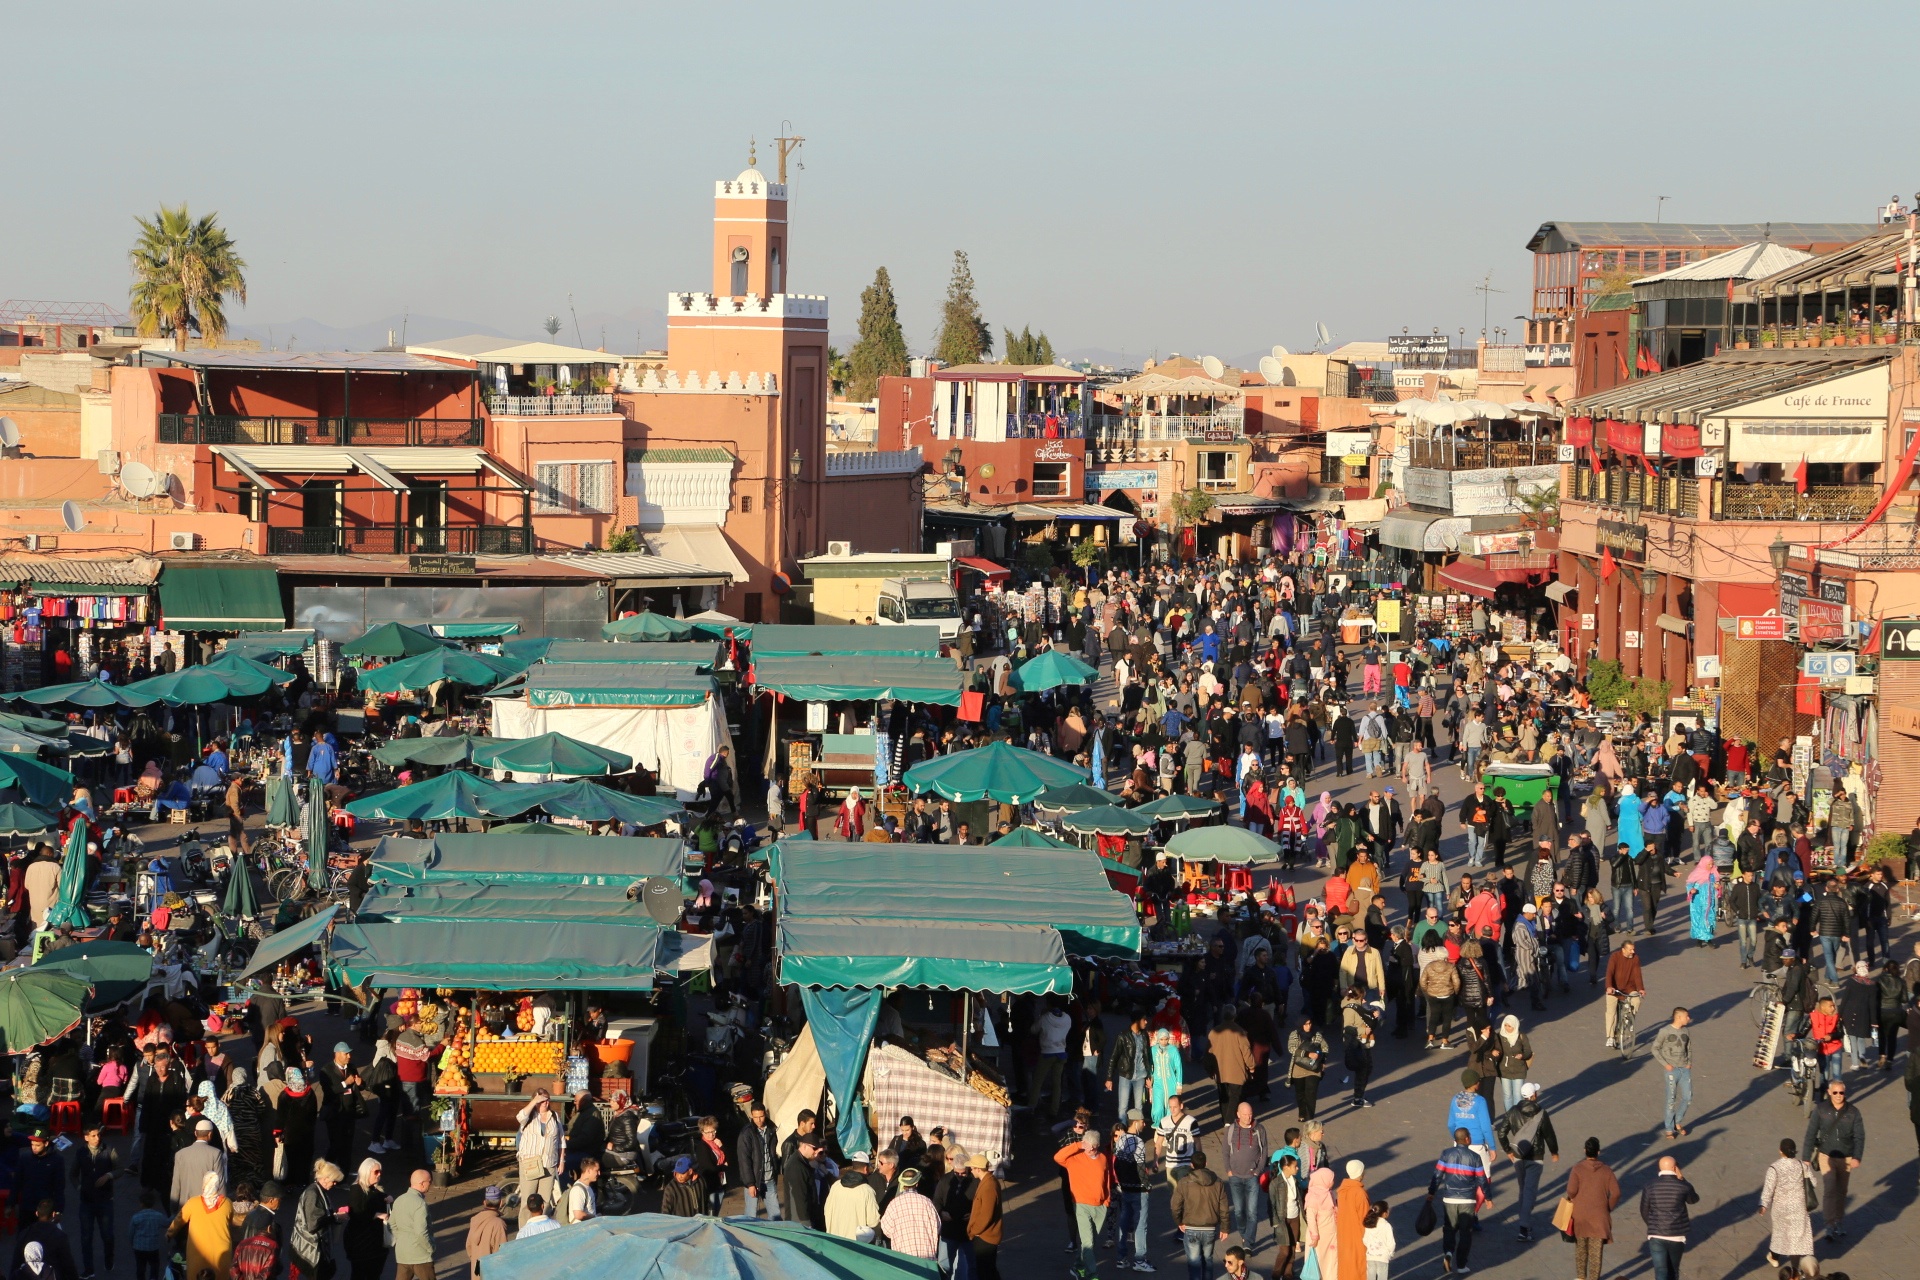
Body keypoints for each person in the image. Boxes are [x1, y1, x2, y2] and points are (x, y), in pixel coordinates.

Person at [1802, 1080, 1865, 1242]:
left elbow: (1859, 1137)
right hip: (1826, 1156)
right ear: (1829, 1093)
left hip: (1846, 1158)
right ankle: (1829, 1224)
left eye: (1841, 1092)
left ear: (1845, 1093)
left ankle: (1839, 1221)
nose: (1838, 1096)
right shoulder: (1821, 1110)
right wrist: (1806, 1158)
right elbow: (1810, 1134)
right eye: (1835, 1092)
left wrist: (1857, 1157)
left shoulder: (1853, 1112)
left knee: (1841, 1191)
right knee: (1830, 1189)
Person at [1426, 1128, 1491, 1275]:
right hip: (1467, 1200)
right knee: (1465, 1232)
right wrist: (1488, 1197)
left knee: (1449, 1228)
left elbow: (1437, 1175)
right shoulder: (1475, 1157)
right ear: (1467, 1139)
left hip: (1449, 1198)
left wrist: (1431, 1192)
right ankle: (1461, 1265)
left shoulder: (1446, 1154)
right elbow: (1482, 1179)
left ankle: (1448, 1252)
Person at [1054, 1128, 1110, 1280]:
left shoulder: (1103, 1158)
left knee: (1090, 1242)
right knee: (1088, 1242)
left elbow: (1106, 1180)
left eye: (1092, 1146)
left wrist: (1106, 1200)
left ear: (1097, 1145)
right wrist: (1078, 1145)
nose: (1089, 1149)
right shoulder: (1073, 1159)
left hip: (1100, 1206)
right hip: (1081, 1205)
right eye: (1087, 1145)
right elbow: (1057, 1157)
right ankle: (1093, 1275)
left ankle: (1078, 1266)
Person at [1758, 1138, 1816, 1271]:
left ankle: (1774, 1258)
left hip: (1781, 1208)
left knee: (1780, 1235)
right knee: (1796, 1240)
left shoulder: (1774, 1168)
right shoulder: (1802, 1165)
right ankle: (1795, 1271)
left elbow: (1768, 1189)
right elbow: (1813, 1183)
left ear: (1780, 1151)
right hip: (1799, 1207)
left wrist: (1763, 1205)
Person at [1566, 1137, 1620, 1280]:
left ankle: (1580, 1277)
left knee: (1581, 1250)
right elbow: (1616, 1193)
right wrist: (1607, 1207)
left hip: (1580, 1215)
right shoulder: (1607, 1170)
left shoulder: (1577, 1168)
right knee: (1596, 1253)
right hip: (1599, 1217)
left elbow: (1571, 1191)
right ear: (1598, 1152)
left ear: (1585, 1151)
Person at [1170, 1150, 1230, 1280]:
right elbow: (1224, 1207)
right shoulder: (1218, 1182)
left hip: (1191, 1227)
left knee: (1194, 1262)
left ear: (1191, 1165)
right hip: (1210, 1228)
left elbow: (1175, 1206)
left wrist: (1179, 1222)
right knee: (1208, 1260)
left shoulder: (1184, 1182)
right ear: (1206, 1163)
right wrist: (1225, 1228)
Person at [1637, 1156, 1698, 1280]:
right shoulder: (1682, 1186)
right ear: (1675, 1168)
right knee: (1673, 1270)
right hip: (1677, 1235)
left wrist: (1653, 1225)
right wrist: (1682, 1179)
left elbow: (1644, 1210)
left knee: (1660, 1271)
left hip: (1656, 1234)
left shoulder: (1650, 1186)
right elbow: (1693, 1199)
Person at [1220, 1101, 1269, 1251]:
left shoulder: (1259, 1129)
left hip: (1252, 1176)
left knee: (1252, 1212)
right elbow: (1225, 1151)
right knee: (1239, 1211)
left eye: (1250, 1114)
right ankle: (1243, 1233)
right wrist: (1229, 1170)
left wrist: (1258, 1170)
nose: (1248, 1117)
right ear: (1238, 1114)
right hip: (1235, 1176)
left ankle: (1248, 1242)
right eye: (1245, 1114)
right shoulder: (1231, 1130)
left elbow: (1264, 1152)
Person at [169, 1171, 233, 1280]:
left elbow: (179, 1220)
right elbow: (230, 1221)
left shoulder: (193, 1203)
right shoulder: (227, 1203)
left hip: (197, 1250)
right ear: (218, 1186)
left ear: (204, 1185)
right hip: (221, 1251)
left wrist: (169, 1233)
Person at [513, 1091, 562, 1229]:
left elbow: (561, 1139)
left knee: (545, 1200)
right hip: (531, 1163)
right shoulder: (529, 1116)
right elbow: (519, 1116)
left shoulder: (554, 1116)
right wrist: (534, 1101)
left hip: (549, 1162)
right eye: (542, 1100)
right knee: (528, 1199)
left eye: (548, 1100)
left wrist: (561, 1160)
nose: (546, 1103)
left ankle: (541, 1230)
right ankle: (524, 1230)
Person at [289, 1161, 344, 1280]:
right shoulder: (312, 1194)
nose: (335, 1184)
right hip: (310, 1248)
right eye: (334, 1181)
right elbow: (313, 1225)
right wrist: (335, 1217)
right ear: (325, 1179)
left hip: (313, 1246)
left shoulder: (318, 1190)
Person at [879, 1168, 941, 1263]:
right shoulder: (927, 1202)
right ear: (917, 1184)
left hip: (903, 1257)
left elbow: (886, 1229)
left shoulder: (894, 1204)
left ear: (903, 1184)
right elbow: (937, 1227)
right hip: (927, 1258)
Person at [735, 1100, 782, 1221]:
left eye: (761, 1116)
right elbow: (744, 1160)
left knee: (776, 1216)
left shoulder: (771, 1129)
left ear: (765, 1114)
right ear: (751, 1116)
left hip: (769, 1178)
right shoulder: (746, 1133)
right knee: (751, 1216)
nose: (759, 1120)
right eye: (755, 1117)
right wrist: (750, 1183)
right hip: (755, 1180)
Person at [1653, 1007, 1694, 1138]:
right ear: (1678, 1017)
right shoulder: (1665, 1031)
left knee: (1687, 1098)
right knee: (1671, 1099)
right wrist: (1666, 1064)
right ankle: (1669, 1129)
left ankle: (1678, 1121)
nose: (1689, 1018)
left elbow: (1688, 1048)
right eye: (1686, 1016)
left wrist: (1689, 1062)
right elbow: (1655, 1048)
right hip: (1672, 1070)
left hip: (1684, 1069)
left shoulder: (1686, 1031)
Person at [388, 1167, 433, 1280]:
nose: (430, 1184)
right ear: (422, 1183)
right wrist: (430, 1247)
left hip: (402, 1254)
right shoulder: (420, 1204)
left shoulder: (399, 1200)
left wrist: (402, 1238)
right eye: (429, 1181)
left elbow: (391, 1224)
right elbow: (421, 1232)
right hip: (420, 1255)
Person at [825, 1156, 882, 1243]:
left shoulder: (835, 1186)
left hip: (834, 1241)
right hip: (854, 1244)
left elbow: (827, 1211)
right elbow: (873, 1221)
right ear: (866, 1168)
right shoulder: (867, 1190)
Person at [965, 1153, 1003, 1280]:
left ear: (978, 1169)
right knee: (989, 1271)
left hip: (985, 1237)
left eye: (972, 1168)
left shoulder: (988, 1186)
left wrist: (974, 1231)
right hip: (985, 1236)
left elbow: (986, 1215)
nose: (970, 1170)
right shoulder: (988, 1181)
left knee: (985, 1272)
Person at [1605, 941, 1645, 1051]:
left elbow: (1637, 974)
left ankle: (1630, 1019)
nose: (1633, 951)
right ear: (1623, 949)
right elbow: (1609, 972)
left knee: (1636, 1001)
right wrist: (1609, 986)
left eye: (1633, 949)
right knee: (1611, 1012)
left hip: (1630, 988)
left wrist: (1640, 988)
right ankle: (1610, 1037)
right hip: (1614, 989)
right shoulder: (1615, 957)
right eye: (1630, 949)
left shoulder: (1635, 958)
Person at [782, 1137, 827, 1231]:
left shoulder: (804, 1162)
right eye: (814, 1148)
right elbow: (799, 1197)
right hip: (798, 1221)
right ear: (804, 1146)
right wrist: (806, 1222)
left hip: (804, 1217)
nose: (816, 1153)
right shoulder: (796, 1166)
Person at [1335, 1159, 1369, 1280]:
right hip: (1358, 1235)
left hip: (1344, 1233)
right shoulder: (1359, 1193)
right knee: (1359, 1266)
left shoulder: (1342, 1190)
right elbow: (1365, 1218)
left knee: (1346, 1265)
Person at [465, 1186, 509, 1280]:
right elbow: (501, 1253)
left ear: (484, 1202)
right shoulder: (498, 1224)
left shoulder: (474, 1220)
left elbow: (469, 1246)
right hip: (491, 1273)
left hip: (477, 1270)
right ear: (501, 1203)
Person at [130, 1190, 169, 1280]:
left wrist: (132, 1243)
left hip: (139, 1247)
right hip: (153, 1247)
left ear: (141, 1204)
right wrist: (174, 1215)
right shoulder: (158, 1216)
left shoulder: (136, 1217)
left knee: (140, 1267)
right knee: (154, 1265)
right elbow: (167, 1223)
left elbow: (131, 1233)